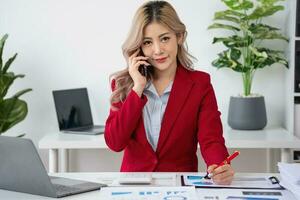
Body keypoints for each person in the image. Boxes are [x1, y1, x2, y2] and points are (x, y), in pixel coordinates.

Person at [104, 0, 235, 185]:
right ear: (139, 47)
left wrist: (219, 165)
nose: (158, 50)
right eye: (147, 42)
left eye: (165, 38)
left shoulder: (200, 84)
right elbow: (115, 142)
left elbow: (211, 139)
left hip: (180, 185)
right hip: (134, 186)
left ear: (179, 36)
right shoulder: (124, 84)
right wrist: (137, 89)